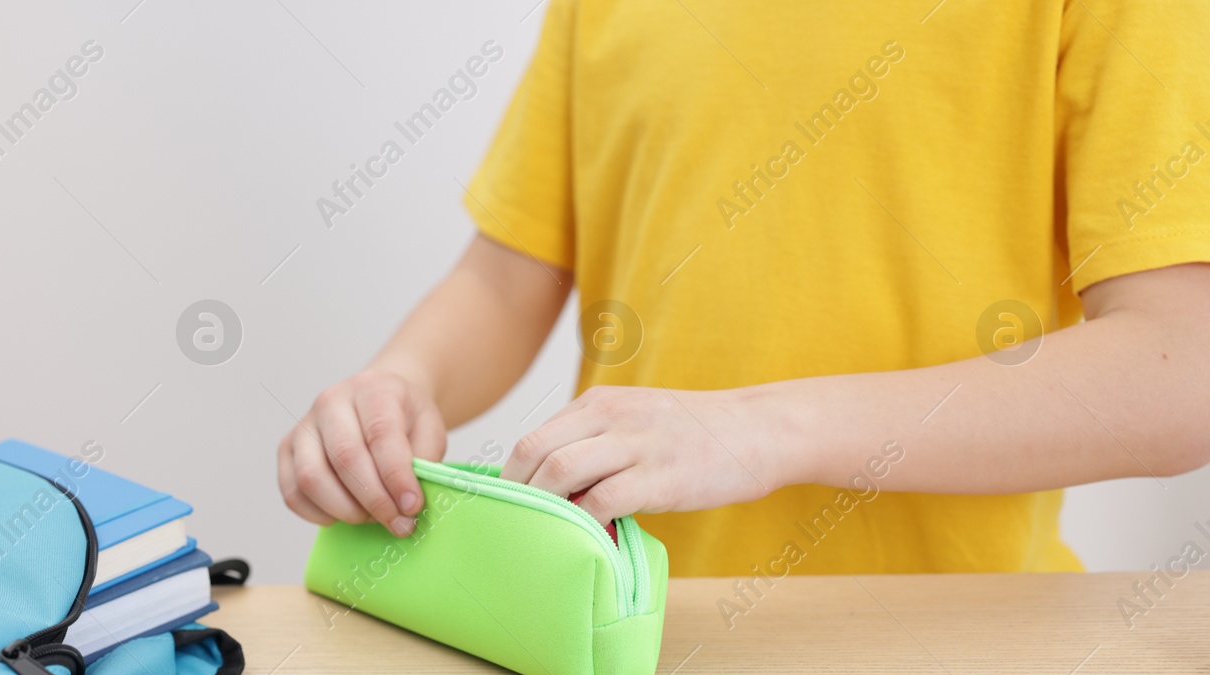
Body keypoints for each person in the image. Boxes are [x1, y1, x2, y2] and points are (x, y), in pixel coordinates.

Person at [277, 0, 1210, 575]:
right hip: (632, 642)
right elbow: (510, 274)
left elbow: (1180, 370)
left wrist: (762, 429)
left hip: (954, 656)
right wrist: (401, 384)